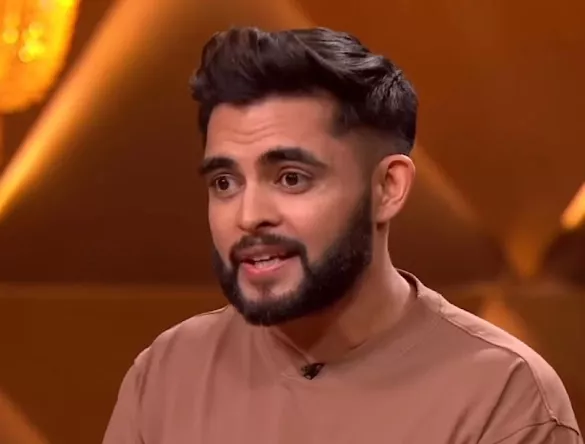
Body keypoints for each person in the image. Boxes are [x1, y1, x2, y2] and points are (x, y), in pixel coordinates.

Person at [103, 26, 582, 443]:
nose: (248, 217)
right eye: (225, 183)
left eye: (291, 178)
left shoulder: (503, 398)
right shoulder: (168, 372)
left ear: (387, 188)